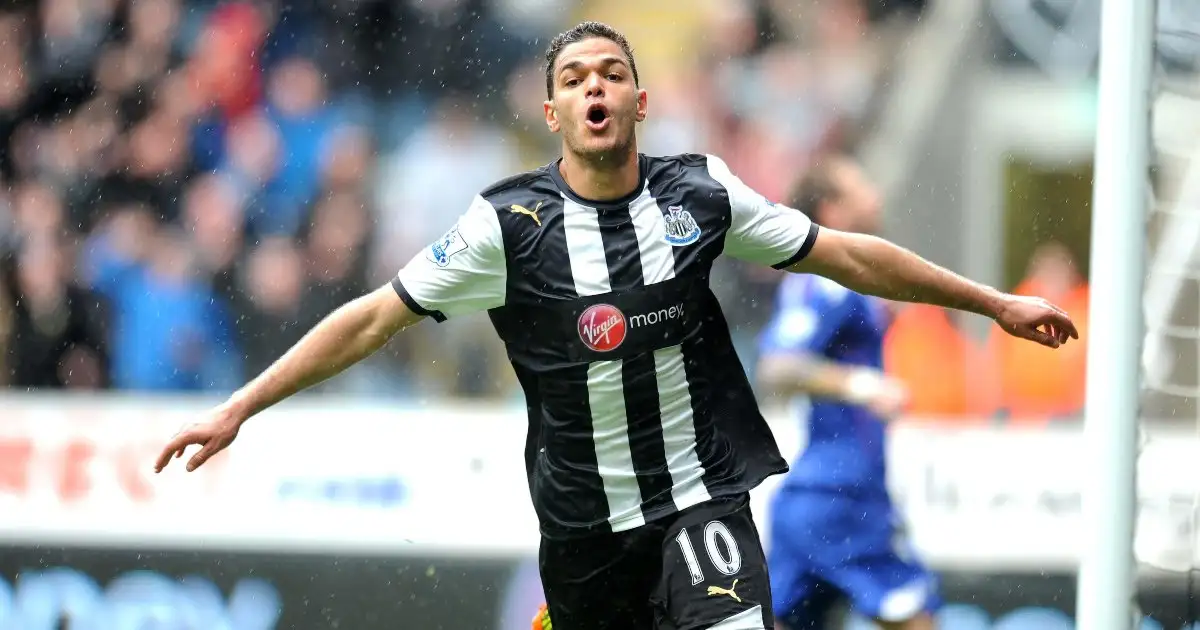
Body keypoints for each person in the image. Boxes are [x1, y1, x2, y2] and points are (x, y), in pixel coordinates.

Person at [154, 22, 1077, 630]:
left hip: (696, 501)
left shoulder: (701, 193)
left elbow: (847, 253)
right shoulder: (506, 226)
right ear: (552, 111)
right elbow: (369, 322)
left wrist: (994, 304)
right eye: (573, 77)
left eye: (613, 73)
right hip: (583, 533)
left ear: (639, 101)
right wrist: (241, 405)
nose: (595, 87)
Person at [756, 155, 939, 630]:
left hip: (815, 498)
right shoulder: (826, 282)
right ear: (833, 211)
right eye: (860, 185)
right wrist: (861, 385)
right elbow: (778, 365)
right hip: (842, 497)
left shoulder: (844, 284)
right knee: (918, 620)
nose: (874, 194)